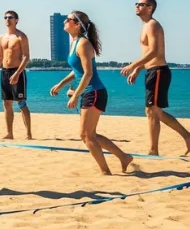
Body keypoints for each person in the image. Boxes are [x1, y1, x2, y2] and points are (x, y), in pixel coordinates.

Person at [50, 11, 133, 175]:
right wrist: (61, 84)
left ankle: (105, 171)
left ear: (77, 24)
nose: (65, 21)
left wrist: (75, 95)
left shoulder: (83, 44)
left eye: (69, 19)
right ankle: (123, 157)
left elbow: (88, 74)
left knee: (85, 135)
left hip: (94, 92)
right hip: (90, 92)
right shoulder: (75, 43)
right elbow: (77, 71)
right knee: (91, 134)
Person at [120, 0, 190, 155]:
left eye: (141, 4)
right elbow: (148, 53)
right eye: (136, 3)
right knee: (155, 111)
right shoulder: (146, 25)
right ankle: (188, 136)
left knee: (152, 110)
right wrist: (138, 69)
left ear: (150, 8)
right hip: (152, 71)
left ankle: (154, 150)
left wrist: (132, 65)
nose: (137, 6)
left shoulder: (153, 25)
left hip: (159, 71)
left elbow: (155, 51)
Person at [0, 10, 32, 139]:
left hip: (17, 72)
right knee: (7, 103)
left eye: (10, 17)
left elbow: (27, 57)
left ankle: (28, 133)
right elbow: (0, 56)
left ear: (16, 20)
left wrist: (18, 73)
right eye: (5, 17)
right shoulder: (2, 37)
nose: (7, 19)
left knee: (21, 102)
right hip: (5, 72)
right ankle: (9, 133)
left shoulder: (21, 36)